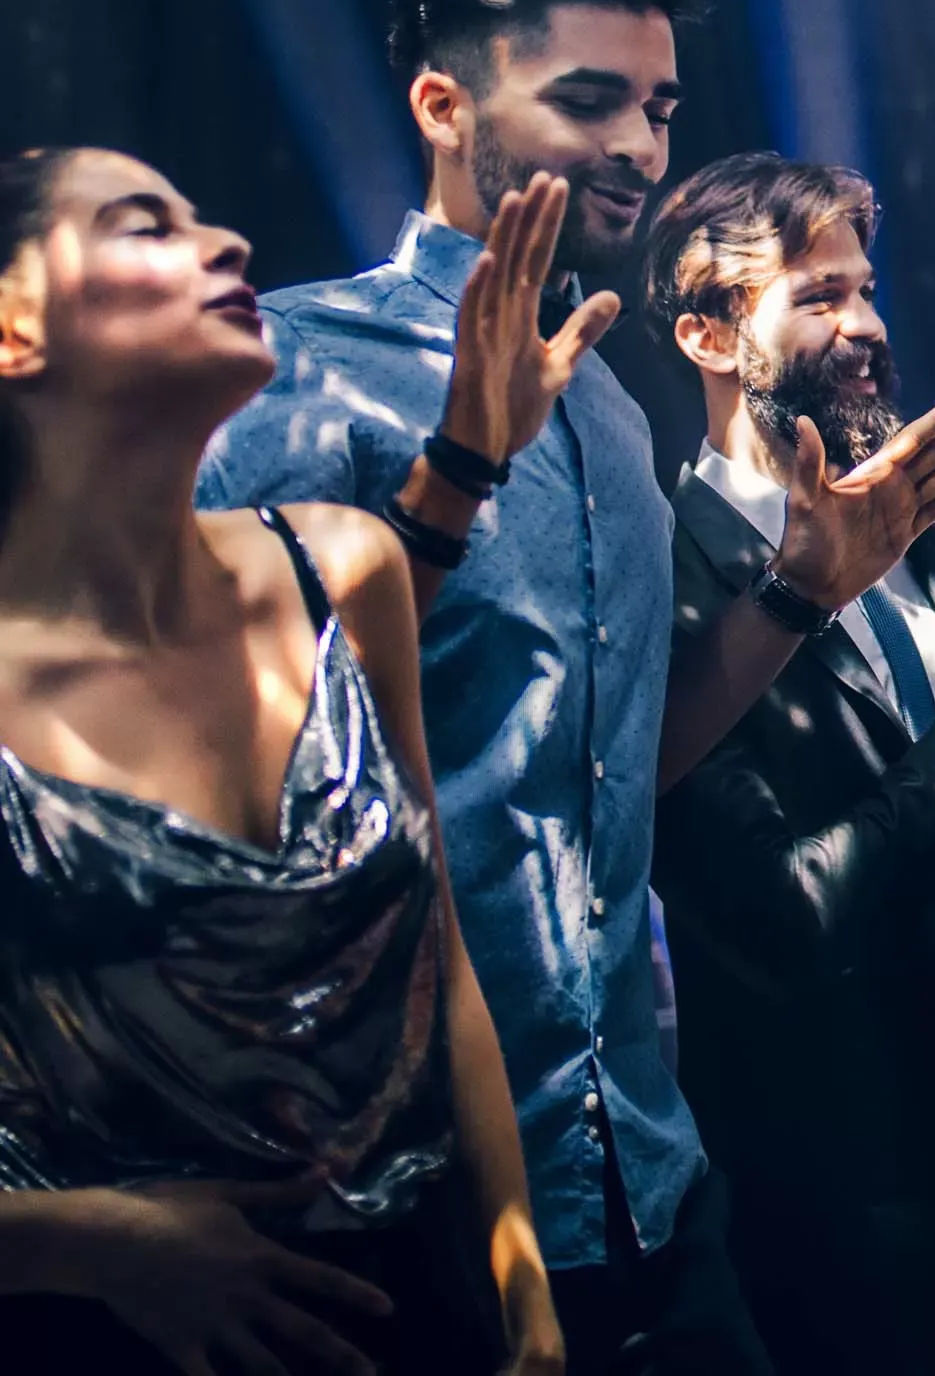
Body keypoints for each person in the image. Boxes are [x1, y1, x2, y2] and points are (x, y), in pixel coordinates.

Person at [198, 0, 935, 1375]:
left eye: (658, 107)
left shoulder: (612, 415)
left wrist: (798, 594)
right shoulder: (296, 371)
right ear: (445, 107)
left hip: (640, 1160)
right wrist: (455, 470)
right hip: (390, 1195)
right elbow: (225, 776)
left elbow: (628, 763)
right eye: (587, 99)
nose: (638, 145)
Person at [0, 151, 576, 1372]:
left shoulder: (342, 569)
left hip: (424, 1312)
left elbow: (440, 964)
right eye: (145, 226)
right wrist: (84, 1242)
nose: (229, 244)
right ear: (12, 327)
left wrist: (521, 1275)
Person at [639, 155, 935, 1376]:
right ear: (707, 335)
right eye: (818, 296)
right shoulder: (668, 582)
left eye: (864, 289)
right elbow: (777, 919)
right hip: (842, 1215)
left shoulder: (931, 548)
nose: (863, 325)